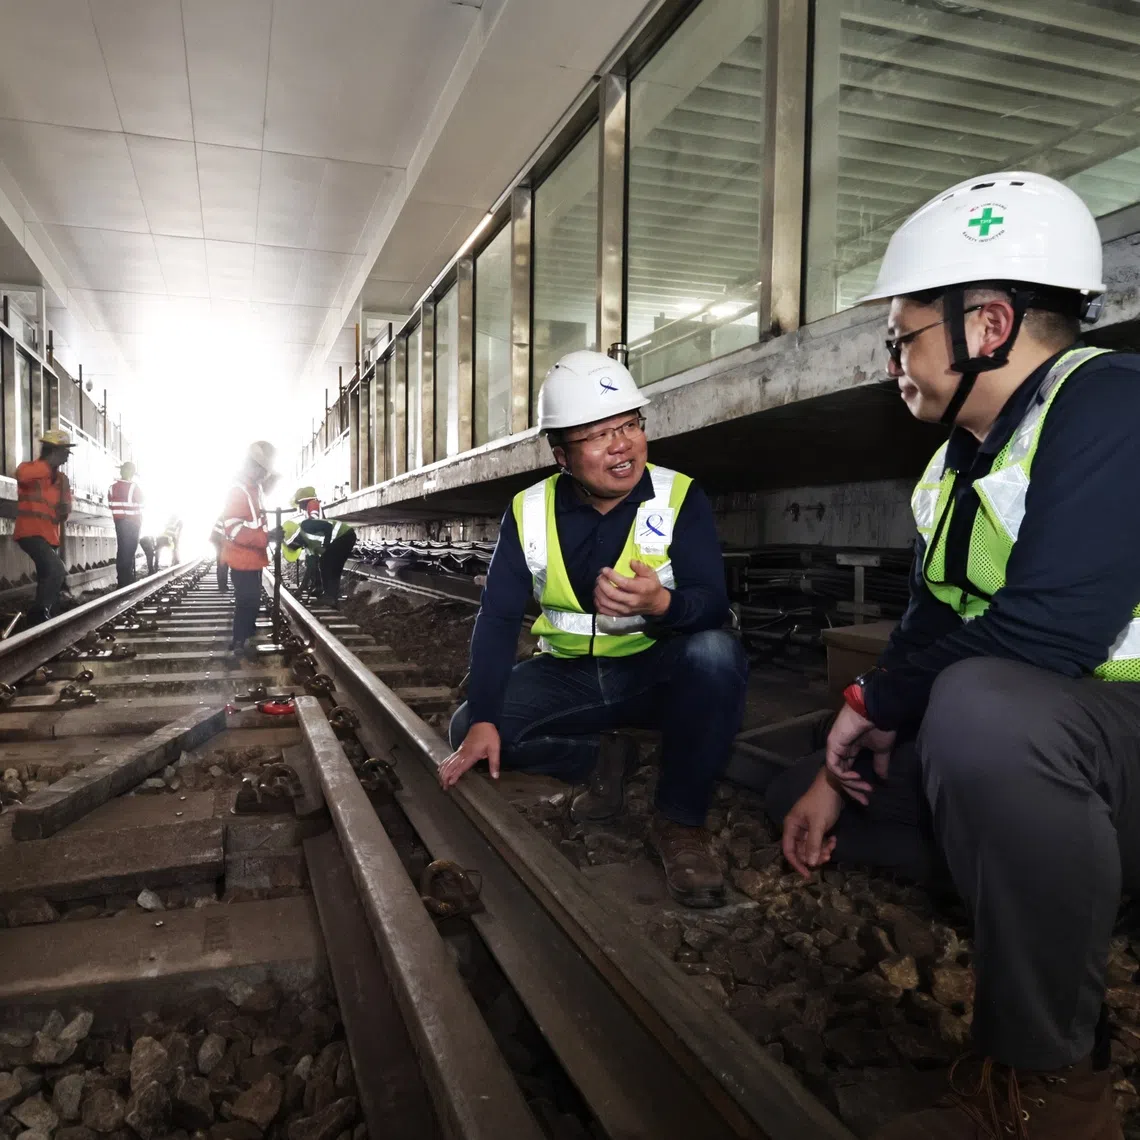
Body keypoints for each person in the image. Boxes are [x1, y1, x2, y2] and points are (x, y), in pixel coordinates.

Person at [766, 172, 1140, 1140]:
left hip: (1104, 733)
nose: (893, 359)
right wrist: (845, 746)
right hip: (1066, 744)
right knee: (803, 776)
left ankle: (1057, 1090)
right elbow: (929, 625)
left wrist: (878, 702)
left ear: (988, 326)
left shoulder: (1113, 403)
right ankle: (1049, 879)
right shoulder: (955, 464)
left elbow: (1051, 631)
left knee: (980, 713)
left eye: (903, 337)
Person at [441, 349, 748, 908]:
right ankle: (599, 758)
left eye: (630, 425)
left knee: (715, 654)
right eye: (599, 435)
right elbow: (498, 618)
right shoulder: (529, 510)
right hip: (568, 676)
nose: (622, 445)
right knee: (469, 728)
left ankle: (680, 822)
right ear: (562, 455)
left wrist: (662, 604)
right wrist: (485, 716)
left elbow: (711, 605)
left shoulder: (681, 497)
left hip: (650, 674)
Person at [219, 441, 275, 656]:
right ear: (252, 466)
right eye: (261, 469)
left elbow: (256, 522)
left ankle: (247, 634)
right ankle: (239, 641)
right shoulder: (238, 491)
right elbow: (233, 528)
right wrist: (265, 537)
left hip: (253, 557)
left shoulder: (254, 490)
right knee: (247, 599)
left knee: (252, 599)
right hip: (241, 558)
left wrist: (269, 535)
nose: (264, 474)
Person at [14, 428, 74, 625]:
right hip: (30, 532)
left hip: (50, 536)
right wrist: (49, 466)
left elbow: (64, 511)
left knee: (48, 579)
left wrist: (65, 506)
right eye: (65, 452)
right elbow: (21, 476)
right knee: (56, 570)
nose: (67, 457)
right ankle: (37, 616)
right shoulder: (30, 469)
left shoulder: (62, 480)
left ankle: (49, 623)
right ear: (54, 450)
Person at [284, 487, 356, 608]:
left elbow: (327, 526)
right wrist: (301, 589)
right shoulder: (307, 544)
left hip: (344, 536)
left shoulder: (306, 524)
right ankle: (331, 597)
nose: (297, 548)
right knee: (330, 566)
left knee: (326, 563)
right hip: (344, 537)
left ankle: (329, 597)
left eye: (295, 546)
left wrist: (325, 546)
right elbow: (311, 566)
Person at [107, 461, 143, 587]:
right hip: (133, 524)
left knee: (122, 550)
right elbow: (142, 505)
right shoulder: (134, 487)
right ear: (132, 473)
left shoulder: (112, 488)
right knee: (129, 551)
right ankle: (126, 581)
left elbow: (111, 505)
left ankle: (123, 580)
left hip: (119, 522)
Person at [209, 516, 228, 591]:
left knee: (222, 563)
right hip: (220, 540)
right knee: (223, 563)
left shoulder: (226, 514)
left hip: (218, 539)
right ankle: (222, 585)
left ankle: (222, 585)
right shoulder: (228, 515)